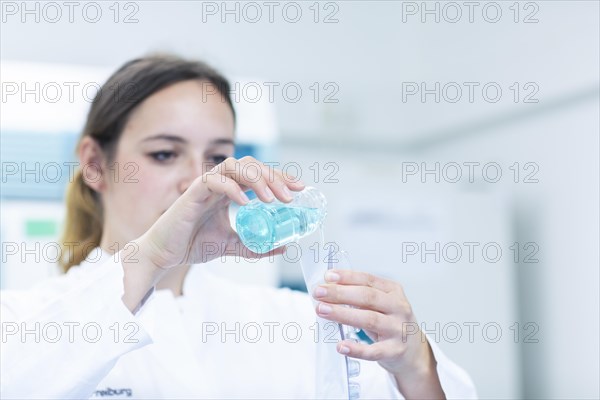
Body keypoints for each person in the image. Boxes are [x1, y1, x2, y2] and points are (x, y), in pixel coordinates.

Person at [0, 55, 477, 399]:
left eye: (217, 157)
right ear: (95, 165)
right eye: (164, 154)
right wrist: (153, 256)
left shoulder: (294, 322)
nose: (198, 180)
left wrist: (416, 367)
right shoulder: (24, 323)